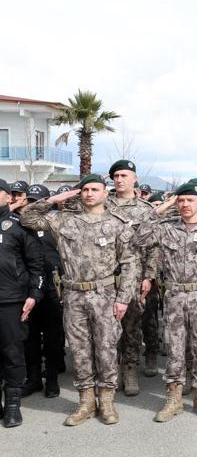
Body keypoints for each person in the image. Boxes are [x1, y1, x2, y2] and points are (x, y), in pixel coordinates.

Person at [21, 174, 139, 426]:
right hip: (74, 294)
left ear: (105, 193)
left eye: (95, 189)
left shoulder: (117, 224)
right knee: (79, 349)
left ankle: (106, 401)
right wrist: (55, 199)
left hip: (105, 294)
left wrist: (123, 298)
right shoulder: (63, 221)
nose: (89, 193)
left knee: (106, 347)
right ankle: (85, 401)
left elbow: (130, 263)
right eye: (84, 189)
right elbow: (27, 217)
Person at [134, 182, 197, 421]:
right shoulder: (166, 228)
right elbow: (138, 236)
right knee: (175, 350)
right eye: (181, 201)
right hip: (175, 297)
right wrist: (163, 206)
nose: (185, 205)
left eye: (190, 200)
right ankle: (173, 400)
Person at [107, 160, 154, 396]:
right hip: (105, 277)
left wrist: (149, 276)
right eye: (115, 175)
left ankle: (131, 368)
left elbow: (153, 246)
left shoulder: (145, 210)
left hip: (134, 277)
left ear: (134, 178)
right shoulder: (102, 205)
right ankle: (111, 370)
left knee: (132, 326)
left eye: (124, 175)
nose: (119, 179)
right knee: (108, 326)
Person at [0, 179, 44, 427]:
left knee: (12, 352)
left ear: (9, 197)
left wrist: (33, 295)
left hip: (11, 301)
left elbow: (36, 265)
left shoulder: (19, 226)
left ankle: (13, 406)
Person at [18, 185, 66, 398]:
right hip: (29, 287)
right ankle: (34, 378)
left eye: (38, 199)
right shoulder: (23, 224)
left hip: (53, 286)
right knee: (30, 337)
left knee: (53, 337)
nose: (32, 203)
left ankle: (52, 380)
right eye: (30, 199)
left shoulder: (57, 222)